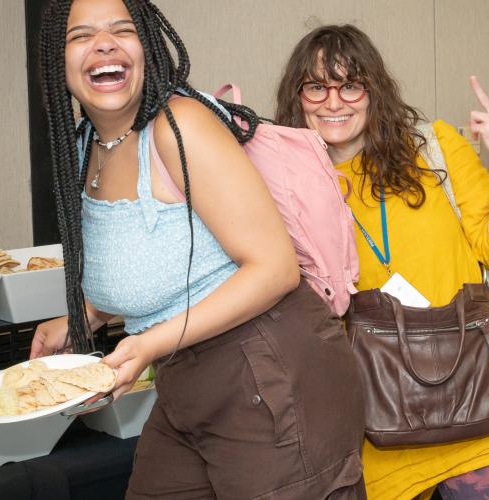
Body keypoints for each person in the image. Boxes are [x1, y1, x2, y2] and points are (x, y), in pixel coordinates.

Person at [31, 0, 366, 498]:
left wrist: (147, 344)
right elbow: (154, 267)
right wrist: (86, 316)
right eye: (80, 36)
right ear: (56, 63)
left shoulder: (179, 126)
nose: (103, 43)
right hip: (185, 377)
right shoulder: (84, 147)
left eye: (122, 30)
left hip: (269, 368)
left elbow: (275, 269)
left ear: (147, 48)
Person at [275, 24, 489, 500]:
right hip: (378, 417)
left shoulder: (432, 147)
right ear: (297, 96)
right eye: (316, 86)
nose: (333, 101)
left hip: (482, 398)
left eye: (350, 84)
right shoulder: (289, 188)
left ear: (373, 91)